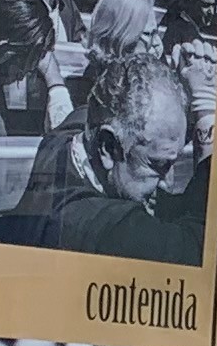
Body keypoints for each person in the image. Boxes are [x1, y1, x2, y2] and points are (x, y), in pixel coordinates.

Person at [20, 55, 206, 262]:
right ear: (108, 147)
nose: (169, 182)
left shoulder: (70, 134)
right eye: (158, 165)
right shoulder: (105, 232)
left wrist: (169, 84)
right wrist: (206, 107)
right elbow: (205, 251)